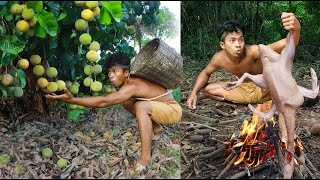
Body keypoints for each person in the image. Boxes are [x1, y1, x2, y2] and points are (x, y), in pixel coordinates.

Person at [45, 52, 182, 170]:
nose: (110, 75)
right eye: (109, 72)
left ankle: (145, 158)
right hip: (161, 107)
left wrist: (73, 100)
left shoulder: (131, 86)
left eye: (114, 71)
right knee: (127, 102)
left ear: (126, 73)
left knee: (141, 106)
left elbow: (104, 101)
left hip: (173, 110)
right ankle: (156, 128)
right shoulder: (129, 84)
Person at [187, 12, 303, 143]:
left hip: (266, 90)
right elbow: (206, 73)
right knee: (207, 89)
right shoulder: (219, 58)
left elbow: (288, 43)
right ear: (222, 45)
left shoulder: (254, 51)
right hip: (243, 89)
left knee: (283, 90)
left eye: (241, 39)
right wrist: (193, 94)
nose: (238, 44)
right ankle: (245, 104)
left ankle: (286, 136)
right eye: (232, 40)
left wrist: (296, 28)